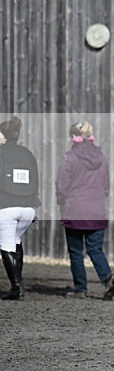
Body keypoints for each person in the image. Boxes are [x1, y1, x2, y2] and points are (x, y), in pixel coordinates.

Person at [56, 121, 114, 300]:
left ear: (73, 136)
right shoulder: (101, 157)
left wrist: (62, 201)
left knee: (76, 251)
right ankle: (107, 278)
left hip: (75, 210)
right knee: (95, 249)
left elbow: (62, 185)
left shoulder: (70, 157)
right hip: (97, 210)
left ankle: (80, 288)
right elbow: (106, 185)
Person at [0, 116, 40, 300]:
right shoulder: (27, 153)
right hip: (28, 208)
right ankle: (19, 281)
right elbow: (35, 181)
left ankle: (16, 287)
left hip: (7, 207)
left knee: (6, 246)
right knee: (16, 241)